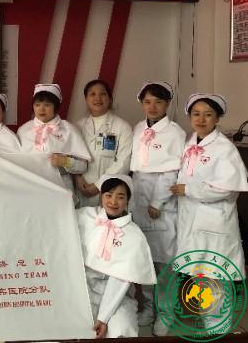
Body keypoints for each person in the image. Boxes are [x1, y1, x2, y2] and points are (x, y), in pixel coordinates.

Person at [129, 81, 186, 334]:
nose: (152, 107)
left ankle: (166, 313)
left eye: (158, 102)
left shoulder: (175, 132)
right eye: (147, 101)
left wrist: (157, 202)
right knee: (147, 261)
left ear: (168, 104)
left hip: (160, 203)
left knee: (164, 263)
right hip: (139, 197)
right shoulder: (139, 128)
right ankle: (148, 309)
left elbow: (172, 171)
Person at [171, 94, 247, 277]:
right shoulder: (189, 144)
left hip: (214, 219)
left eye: (208, 114)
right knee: (192, 273)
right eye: (196, 114)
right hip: (189, 216)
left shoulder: (224, 148)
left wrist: (188, 190)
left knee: (216, 274)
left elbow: (227, 188)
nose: (201, 119)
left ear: (217, 118)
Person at [77, 174, 157, 338]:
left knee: (122, 329)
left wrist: (103, 318)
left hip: (117, 296)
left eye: (120, 197)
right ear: (101, 196)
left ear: (128, 200)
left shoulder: (134, 235)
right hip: (82, 289)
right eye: (108, 195)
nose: (113, 202)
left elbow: (120, 280)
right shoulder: (84, 216)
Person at [17, 83, 91, 194]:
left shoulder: (69, 129)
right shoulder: (23, 130)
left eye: (47, 105)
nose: (41, 109)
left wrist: (65, 161)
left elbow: (83, 166)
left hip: (60, 188)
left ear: (55, 107)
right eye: (37, 105)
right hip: (30, 187)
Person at [75, 80, 132, 207]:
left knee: (104, 218)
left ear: (110, 98)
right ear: (86, 99)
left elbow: (123, 162)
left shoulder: (122, 127)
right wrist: (77, 178)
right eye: (92, 94)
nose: (97, 98)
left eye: (103, 94)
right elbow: (71, 157)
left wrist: (99, 185)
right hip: (80, 188)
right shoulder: (77, 127)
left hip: (109, 191)